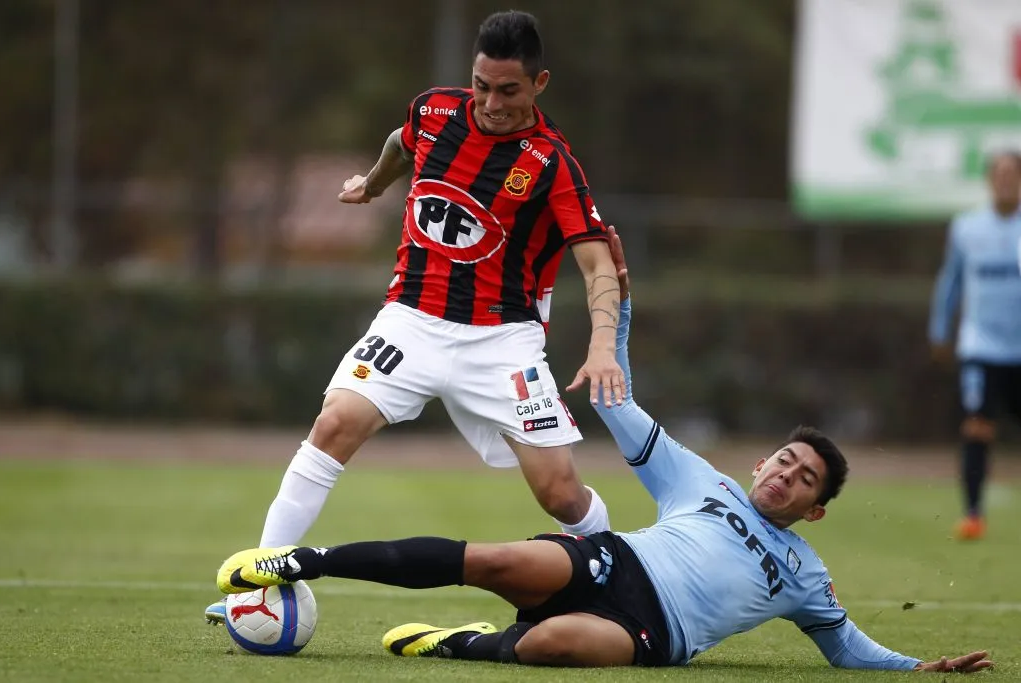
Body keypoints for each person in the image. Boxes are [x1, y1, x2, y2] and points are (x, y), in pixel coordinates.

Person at [215, 227, 992, 673]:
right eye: (784, 460)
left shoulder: (806, 576)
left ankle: (467, 644)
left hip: (651, 634)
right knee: (490, 559)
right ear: (762, 464)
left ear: (815, 509)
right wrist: (615, 322)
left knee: (556, 642)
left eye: (804, 478)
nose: (786, 474)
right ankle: (301, 561)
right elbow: (615, 400)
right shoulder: (702, 481)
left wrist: (918, 668)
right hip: (612, 561)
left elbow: (849, 650)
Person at [205, 10, 624, 623]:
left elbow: (597, 264)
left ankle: (615, 582)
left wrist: (603, 345)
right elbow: (403, 143)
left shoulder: (552, 163)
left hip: (502, 342)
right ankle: (255, 585)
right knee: (334, 424)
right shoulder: (435, 110)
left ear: (540, 84)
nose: (491, 102)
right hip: (411, 321)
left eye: (508, 90)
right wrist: (373, 186)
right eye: (481, 85)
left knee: (559, 494)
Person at [929, 150, 1021, 541]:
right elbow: (950, 281)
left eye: (1012, 174)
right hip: (980, 345)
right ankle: (973, 514)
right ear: (988, 180)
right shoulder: (967, 228)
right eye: (998, 174)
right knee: (977, 425)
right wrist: (939, 329)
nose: (1005, 180)